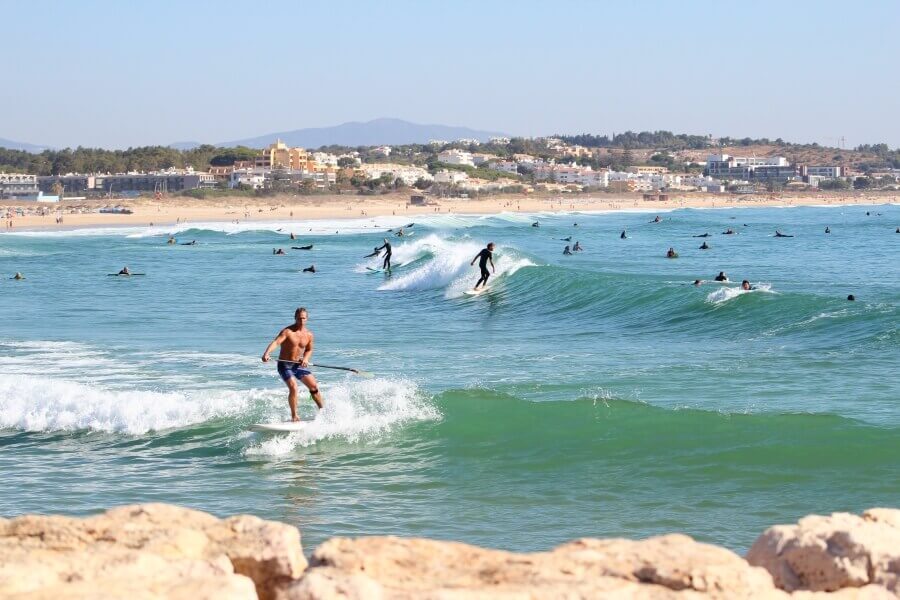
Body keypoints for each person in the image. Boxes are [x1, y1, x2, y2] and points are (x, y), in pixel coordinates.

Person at [261, 307, 323, 422]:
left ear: (307, 319)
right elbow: (276, 342)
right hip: (285, 365)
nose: (301, 321)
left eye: (304, 318)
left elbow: (309, 349)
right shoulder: (287, 331)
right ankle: (294, 416)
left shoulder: (309, 335)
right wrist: (267, 353)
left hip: (298, 365)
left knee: (314, 387)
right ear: (295, 318)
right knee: (294, 387)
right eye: (299, 318)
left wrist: (305, 358)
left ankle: (323, 412)